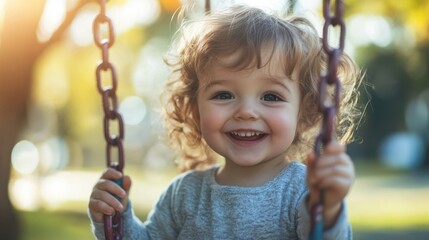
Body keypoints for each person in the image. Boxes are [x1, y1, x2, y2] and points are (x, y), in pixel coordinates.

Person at [88, 4, 362, 239]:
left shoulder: (302, 189)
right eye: (223, 94)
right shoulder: (184, 194)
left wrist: (328, 208)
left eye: (270, 96)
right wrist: (114, 216)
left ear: (304, 115)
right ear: (195, 110)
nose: (246, 111)